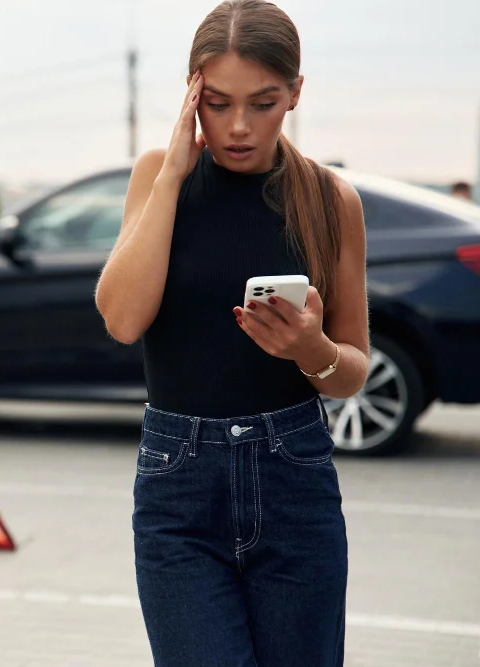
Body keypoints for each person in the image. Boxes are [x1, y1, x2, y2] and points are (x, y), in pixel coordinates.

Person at [93, 1, 371, 665]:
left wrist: (313, 350)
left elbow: (354, 366)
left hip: (294, 480)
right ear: (192, 91)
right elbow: (123, 318)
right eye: (217, 102)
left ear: (295, 94)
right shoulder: (158, 177)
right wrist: (172, 177)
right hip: (178, 487)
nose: (239, 126)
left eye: (264, 102)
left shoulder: (331, 200)